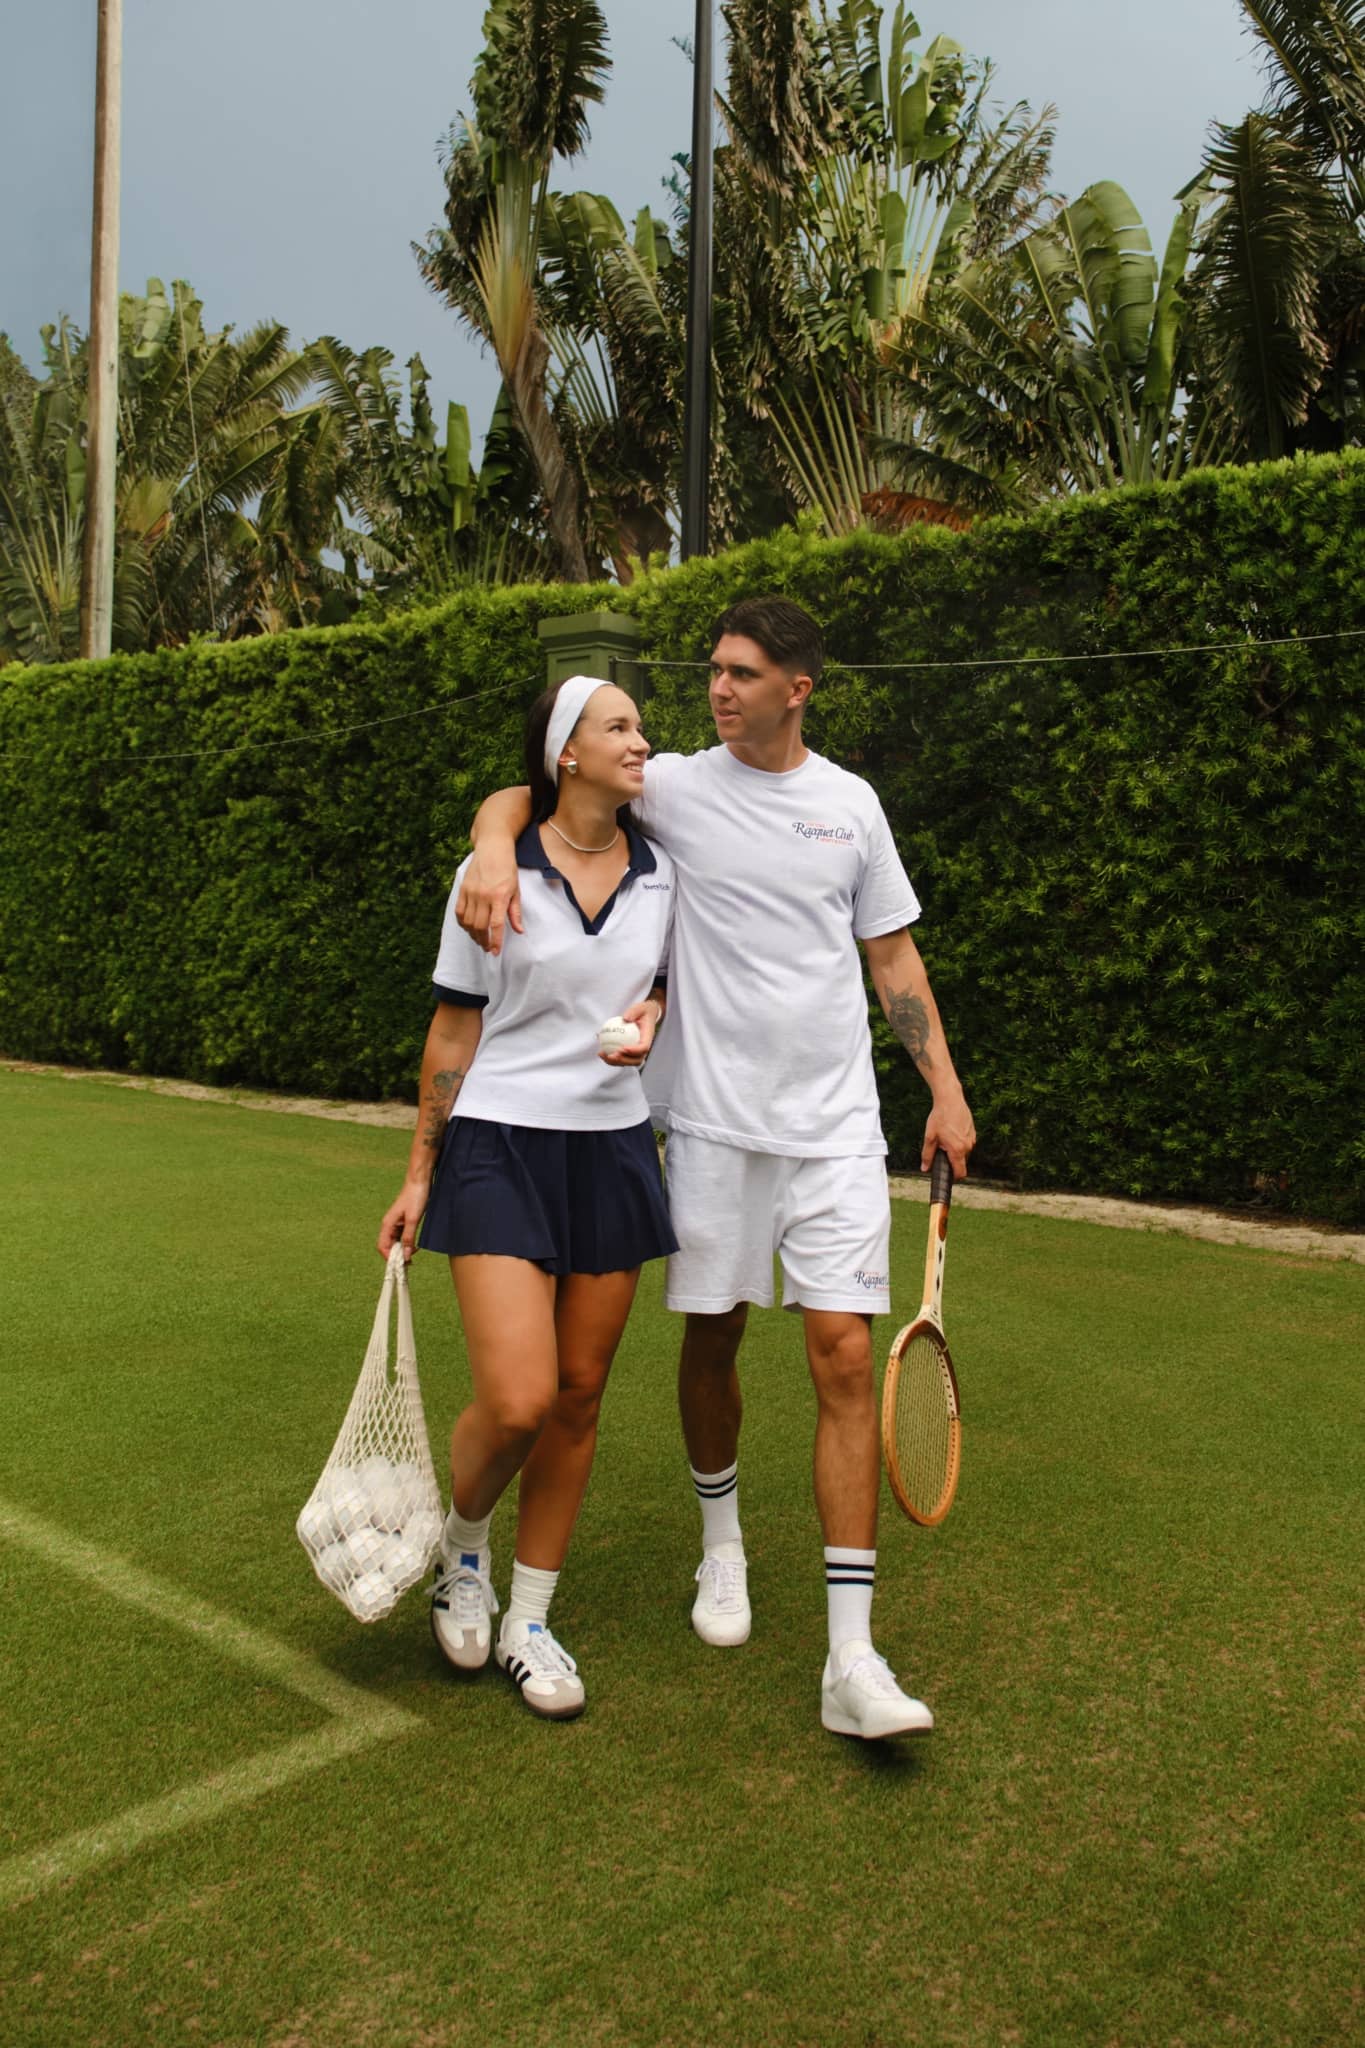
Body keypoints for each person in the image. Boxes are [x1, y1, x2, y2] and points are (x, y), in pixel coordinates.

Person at [457, 598, 976, 1743]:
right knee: (715, 1333)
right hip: (705, 1124)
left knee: (844, 1353)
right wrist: (495, 845)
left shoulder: (852, 807)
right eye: (715, 672)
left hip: (837, 1130)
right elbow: (533, 784)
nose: (719, 690)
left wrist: (942, 1086)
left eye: (744, 674)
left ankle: (851, 1658)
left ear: (801, 686)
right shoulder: (677, 785)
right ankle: (722, 1541)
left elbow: (890, 950)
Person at [378, 675, 676, 1721]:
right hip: (498, 1143)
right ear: (566, 755)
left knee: (582, 1393)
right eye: (620, 726)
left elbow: (664, 987)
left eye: (640, 725)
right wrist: (420, 1169)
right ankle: (463, 1552)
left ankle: (530, 1615)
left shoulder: (662, 874)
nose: (642, 740)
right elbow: (454, 1029)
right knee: (519, 1398)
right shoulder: (489, 872)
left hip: (613, 1150)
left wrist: (650, 1014)